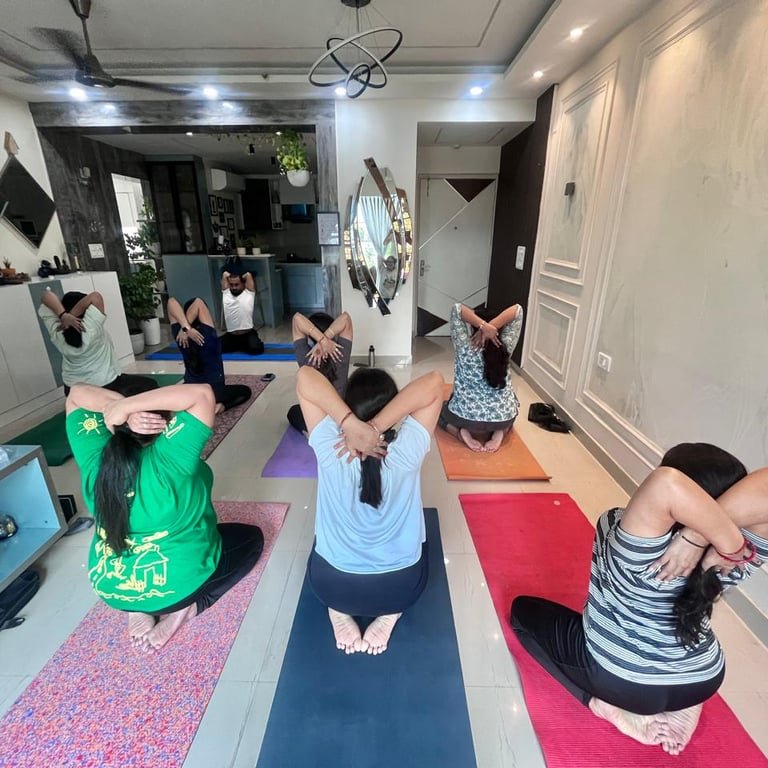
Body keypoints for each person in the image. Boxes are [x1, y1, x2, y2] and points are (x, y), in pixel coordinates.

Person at [509, 443, 767, 756]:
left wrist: (696, 535)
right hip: (705, 676)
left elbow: (666, 483)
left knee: (523, 611)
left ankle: (602, 706)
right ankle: (688, 703)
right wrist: (720, 539)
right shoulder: (738, 554)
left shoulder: (632, 537)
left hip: (625, 684)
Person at [65, 382, 264, 651]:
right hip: (175, 591)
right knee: (250, 538)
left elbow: (76, 394)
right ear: (164, 426)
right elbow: (202, 394)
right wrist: (127, 406)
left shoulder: (98, 457)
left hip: (112, 589)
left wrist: (118, 409)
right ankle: (187, 610)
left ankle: (136, 610)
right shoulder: (169, 458)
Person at [296, 365, 444, 655]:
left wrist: (353, 425)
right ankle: (391, 613)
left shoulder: (329, 445)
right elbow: (435, 383)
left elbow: (304, 376)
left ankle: (338, 611)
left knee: (320, 541)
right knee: (425, 542)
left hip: (330, 586)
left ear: (345, 404)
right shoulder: (407, 451)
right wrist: (375, 429)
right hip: (401, 590)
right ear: (394, 411)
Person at [38, 289, 158, 396]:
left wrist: (64, 316)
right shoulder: (91, 326)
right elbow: (95, 296)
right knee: (151, 384)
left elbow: (46, 295)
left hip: (72, 390)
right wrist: (71, 316)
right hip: (106, 385)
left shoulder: (57, 329)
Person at [440, 302, 523, 453]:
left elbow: (457, 309)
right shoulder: (505, 347)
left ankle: (461, 433)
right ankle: (500, 432)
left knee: (441, 410)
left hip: (465, 418)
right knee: (513, 406)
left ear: (473, 328)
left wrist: (484, 327)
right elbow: (518, 310)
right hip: (501, 418)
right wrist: (492, 327)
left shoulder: (464, 347)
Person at [167, 296, 252, 413]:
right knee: (245, 391)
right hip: (214, 393)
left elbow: (171, 302)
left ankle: (195, 405)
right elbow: (198, 302)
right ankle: (220, 406)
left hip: (191, 391)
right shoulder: (208, 333)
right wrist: (187, 329)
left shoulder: (180, 336)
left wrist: (184, 328)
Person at [287, 311, 353, 436]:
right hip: (341, 416)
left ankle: (310, 434)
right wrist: (326, 338)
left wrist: (321, 340)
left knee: (293, 411)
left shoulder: (307, 356)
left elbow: (296, 318)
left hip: (317, 421)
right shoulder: (340, 353)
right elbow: (345, 318)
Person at [220, 268, 265, 355]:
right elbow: (225, 274)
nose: (234, 287)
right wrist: (230, 276)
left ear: (243, 284)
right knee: (213, 348)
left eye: (237, 284)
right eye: (231, 284)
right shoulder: (226, 294)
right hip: (231, 335)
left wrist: (241, 275)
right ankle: (239, 346)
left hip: (247, 334)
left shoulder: (248, 294)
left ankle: (242, 345)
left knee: (256, 350)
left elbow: (248, 275)